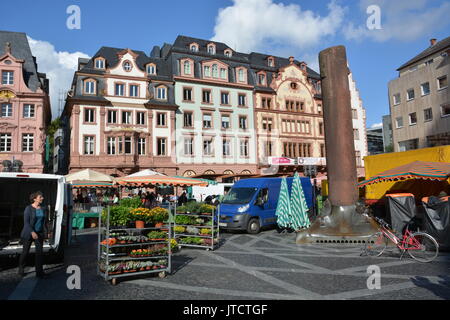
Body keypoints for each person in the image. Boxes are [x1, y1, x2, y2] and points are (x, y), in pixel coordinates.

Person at [18, 191, 47, 278]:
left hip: (39, 233)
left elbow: (45, 222)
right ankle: (21, 268)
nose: (42, 198)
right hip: (28, 232)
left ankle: (39, 272)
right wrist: (32, 232)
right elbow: (26, 223)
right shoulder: (28, 208)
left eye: (42, 197)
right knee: (25, 252)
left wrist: (48, 231)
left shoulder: (43, 208)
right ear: (34, 199)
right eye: (40, 197)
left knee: (39, 253)